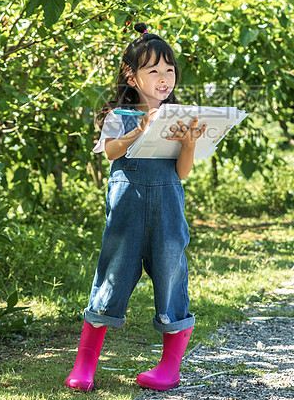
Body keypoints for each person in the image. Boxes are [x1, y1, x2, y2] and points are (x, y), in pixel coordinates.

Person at [65, 22, 207, 392]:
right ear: (131, 76)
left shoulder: (180, 117)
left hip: (168, 211)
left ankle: (169, 368)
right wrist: (139, 130)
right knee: (111, 277)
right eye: (153, 70)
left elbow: (183, 172)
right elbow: (110, 152)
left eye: (169, 70)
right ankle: (85, 366)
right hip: (127, 212)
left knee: (171, 278)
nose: (164, 78)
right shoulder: (118, 116)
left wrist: (189, 143)